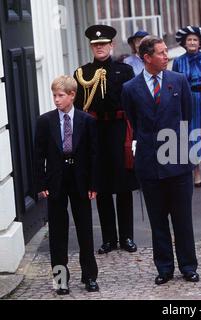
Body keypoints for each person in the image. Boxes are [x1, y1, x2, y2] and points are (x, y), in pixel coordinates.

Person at [122, 36, 199, 285]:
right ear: (147, 58)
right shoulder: (130, 88)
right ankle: (164, 268)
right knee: (158, 220)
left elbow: (187, 117)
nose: (167, 56)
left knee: (183, 219)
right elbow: (134, 122)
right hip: (149, 164)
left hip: (177, 160)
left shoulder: (178, 80)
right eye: (162, 53)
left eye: (167, 52)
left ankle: (188, 266)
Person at [73, 25, 138, 255]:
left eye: (103, 44)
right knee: (100, 185)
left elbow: (133, 104)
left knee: (123, 184)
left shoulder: (124, 71)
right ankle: (109, 238)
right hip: (95, 131)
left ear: (111, 45)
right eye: (95, 45)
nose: (99, 47)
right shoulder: (82, 74)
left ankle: (127, 236)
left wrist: (134, 136)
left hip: (119, 130)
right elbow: (79, 108)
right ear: (91, 47)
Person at [34, 76, 99, 295]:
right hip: (55, 180)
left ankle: (89, 276)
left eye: (61, 95)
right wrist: (41, 182)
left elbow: (94, 155)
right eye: (54, 95)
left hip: (79, 179)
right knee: (58, 233)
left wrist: (93, 183)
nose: (57, 100)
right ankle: (61, 279)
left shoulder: (86, 120)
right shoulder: (45, 122)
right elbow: (38, 155)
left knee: (84, 230)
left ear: (72, 95)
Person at [173, 26, 201, 187]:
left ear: (200, 43)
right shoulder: (178, 61)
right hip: (187, 99)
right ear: (184, 43)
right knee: (191, 132)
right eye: (189, 40)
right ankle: (195, 172)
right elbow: (174, 83)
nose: (192, 42)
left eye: (195, 40)